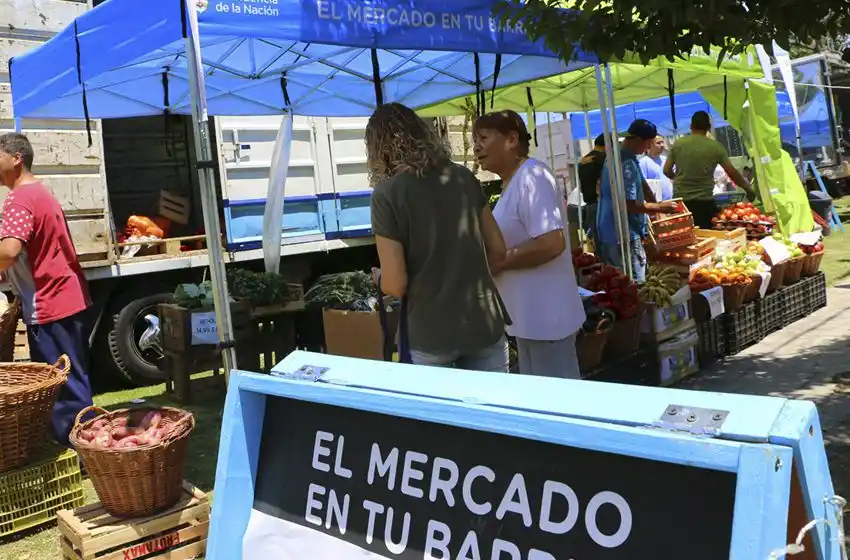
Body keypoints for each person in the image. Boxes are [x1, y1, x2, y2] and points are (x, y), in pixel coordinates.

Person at [367, 103, 510, 372]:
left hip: (430, 332)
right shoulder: (463, 177)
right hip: (483, 322)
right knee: (494, 412)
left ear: (377, 148)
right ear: (422, 133)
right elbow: (499, 250)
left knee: (435, 415)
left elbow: (396, 284)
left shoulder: (386, 196)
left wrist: (380, 278)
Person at [473, 109, 585, 379]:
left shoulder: (532, 176)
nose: (476, 146)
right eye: (474, 139)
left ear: (511, 140)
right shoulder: (513, 182)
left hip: (547, 319)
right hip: (529, 319)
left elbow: (551, 243)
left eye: (483, 138)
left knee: (558, 407)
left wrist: (499, 262)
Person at [0, 133, 92, 447]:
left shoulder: (19, 198)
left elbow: (10, 250)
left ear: (16, 158)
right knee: (72, 382)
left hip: (51, 304)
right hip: (65, 298)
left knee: (64, 386)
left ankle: (82, 452)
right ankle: (82, 447)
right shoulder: (39, 192)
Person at [596, 120, 680, 282]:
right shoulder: (625, 164)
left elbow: (642, 184)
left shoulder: (622, 154)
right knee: (635, 282)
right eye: (648, 144)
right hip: (622, 233)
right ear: (638, 140)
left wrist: (657, 210)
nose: (648, 149)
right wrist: (660, 208)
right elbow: (629, 205)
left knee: (619, 282)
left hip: (610, 229)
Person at [664, 111, 756, 228]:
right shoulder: (716, 147)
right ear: (708, 127)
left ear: (691, 126)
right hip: (704, 202)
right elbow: (731, 172)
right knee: (707, 237)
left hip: (681, 202)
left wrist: (679, 179)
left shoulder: (678, 144)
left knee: (684, 238)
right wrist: (748, 189)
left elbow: (666, 170)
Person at [577, 134, 606, 240]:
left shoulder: (583, 161)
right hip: (603, 205)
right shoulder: (603, 159)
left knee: (599, 244)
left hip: (590, 205)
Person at [639, 135, 674, 201]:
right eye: (658, 143)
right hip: (657, 203)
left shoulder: (665, 159)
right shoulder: (643, 162)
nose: (662, 145)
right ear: (650, 145)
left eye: (662, 142)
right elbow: (643, 184)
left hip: (671, 199)